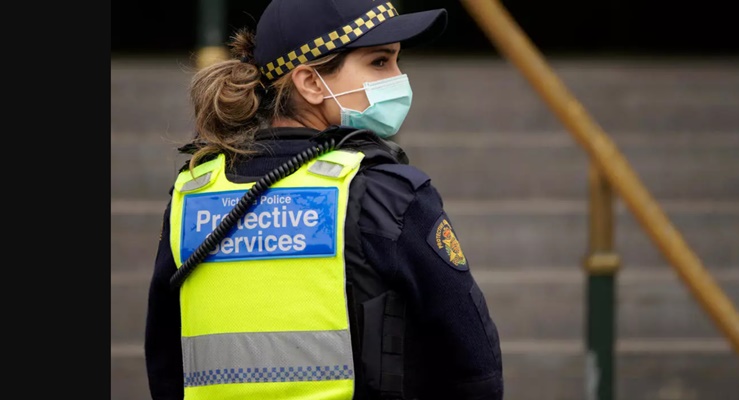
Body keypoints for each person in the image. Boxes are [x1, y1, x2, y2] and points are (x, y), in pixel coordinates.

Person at [144, 0, 504, 399]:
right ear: (311, 83)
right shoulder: (387, 193)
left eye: (396, 61)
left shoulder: (195, 192)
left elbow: (165, 365)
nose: (399, 79)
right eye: (380, 62)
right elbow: (474, 367)